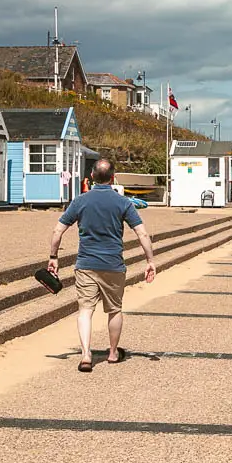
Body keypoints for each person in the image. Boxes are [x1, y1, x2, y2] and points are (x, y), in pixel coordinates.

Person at [47, 159, 156, 372]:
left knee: (85, 310)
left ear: (92, 176)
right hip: (113, 264)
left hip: (86, 264)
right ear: (113, 177)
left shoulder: (80, 201)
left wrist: (53, 257)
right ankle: (113, 353)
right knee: (114, 310)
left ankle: (86, 354)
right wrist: (150, 260)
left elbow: (58, 230)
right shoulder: (123, 202)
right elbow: (141, 233)